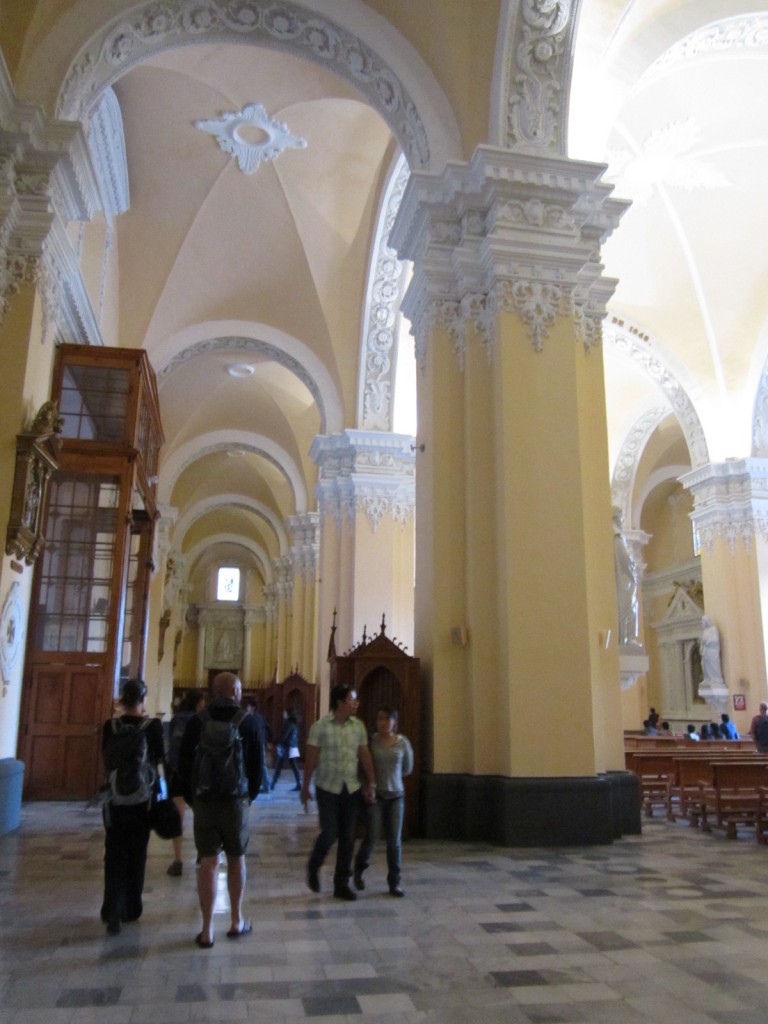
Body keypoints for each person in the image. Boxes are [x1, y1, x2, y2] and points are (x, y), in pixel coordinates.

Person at [178, 672, 264, 948]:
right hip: (235, 802)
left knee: (208, 862)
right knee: (236, 859)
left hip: (204, 801)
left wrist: (195, 800)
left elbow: (183, 765)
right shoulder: (248, 722)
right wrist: (246, 798)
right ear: (236, 692)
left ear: (213, 692)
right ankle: (236, 921)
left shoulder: (197, 721)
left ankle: (206, 930)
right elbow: (257, 769)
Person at [100, 677, 165, 936]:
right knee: (137, 853)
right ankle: (131, 907)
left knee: (114, 852)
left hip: (115, 800)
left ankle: (111, 908)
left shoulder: (110, 726)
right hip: (142, 799)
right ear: (143, 700)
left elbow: (107, 758)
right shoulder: (153, 726)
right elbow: (160, 762)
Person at [301, 684, 375, 901]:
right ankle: (314, 865)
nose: (356, 703)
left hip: (351, 788)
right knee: (329, 833)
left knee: (348, 838)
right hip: (327, 788)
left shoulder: (358, 726)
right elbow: (311, 758)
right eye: (352, 699)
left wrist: (371, 782)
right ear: (341, 702)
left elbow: (364, 755)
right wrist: (305, 787)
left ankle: (341, 884)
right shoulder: (320, 727)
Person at [353, 706, 413, 897]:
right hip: (376, 796)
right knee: (372, 836)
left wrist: (392, 779)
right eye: (380, 719)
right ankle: (359, 868)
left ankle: (394, 882)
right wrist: (367, 787)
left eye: (388, 719)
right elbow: (362, 766)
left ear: (395, 722)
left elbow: (407, 768)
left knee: (394, 841)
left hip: (396, 796)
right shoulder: (371, 741)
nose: (384, 722)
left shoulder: (403, 743)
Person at [165, 688, 205, 877]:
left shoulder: (176, 719)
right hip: (196, 773)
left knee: (177, 818)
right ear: (199, 702)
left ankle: (178, 859)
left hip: (176, 772)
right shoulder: (201, 720)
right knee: (201, 816)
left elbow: (171, 747)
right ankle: (200, 854)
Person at [612, 507, 639, 645]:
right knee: (628, 606)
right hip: (623, 580)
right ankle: (627, 638)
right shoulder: (616, 537)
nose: (622, 520)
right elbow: (624, 560)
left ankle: (628, 638)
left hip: (622, 578)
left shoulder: (616, 536)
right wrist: (632, 566)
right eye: (621, 517)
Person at [271, 709, 302, 791]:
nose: (283, 714)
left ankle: (273, 784)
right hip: (293, 746)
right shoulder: (294, 723)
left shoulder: (288, 724)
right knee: (294, 766)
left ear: (288, 714)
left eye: (284, 712)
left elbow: (284, 736)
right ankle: (299, 783)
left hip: (287, 747)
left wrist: (275, 743)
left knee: (279, 765)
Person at [700, 616, 725, 687]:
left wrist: (706, 641)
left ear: (706, 622)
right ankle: (708, 679)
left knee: (713, 665)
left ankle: (716, 679)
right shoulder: (705, 631)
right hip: (706, 652)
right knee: (704, 664)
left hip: (712, 651)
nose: (702, 623)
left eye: (703, 621)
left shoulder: (713, 629)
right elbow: (703, 641)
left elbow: (715, 640)